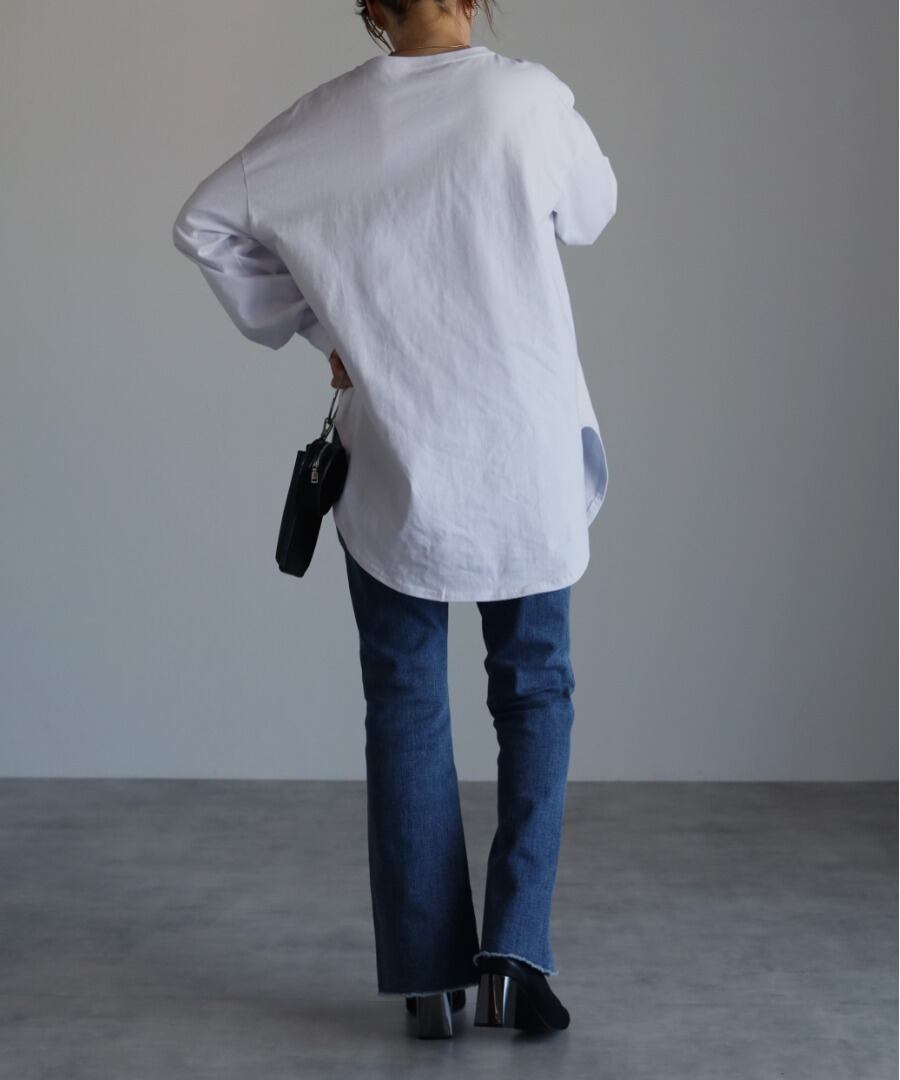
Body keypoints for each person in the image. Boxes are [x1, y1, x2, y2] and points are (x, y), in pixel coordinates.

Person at [172, 0, 617, 1040]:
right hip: (525, 455)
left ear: (370, 7)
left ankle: (429, 983)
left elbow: (203, 224)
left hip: (397, 462)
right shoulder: (528, 100)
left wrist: (318, 324)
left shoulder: (322, 122)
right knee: (535, 692)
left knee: (406, 702)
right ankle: (514, 957)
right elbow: (593, 209)